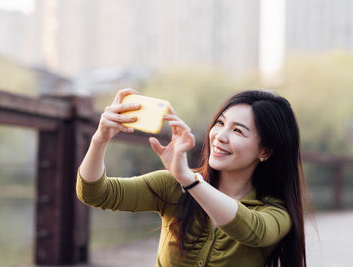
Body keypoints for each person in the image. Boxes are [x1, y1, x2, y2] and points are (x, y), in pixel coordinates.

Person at [76, 88, 308, 267]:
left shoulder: (276, 212)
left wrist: (188, 179)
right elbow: (95, 193)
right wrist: (100, 139)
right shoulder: (173, 185)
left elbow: (250, 229)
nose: (220, 136)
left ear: (265, 151)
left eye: (238, 131)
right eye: (220, 123)